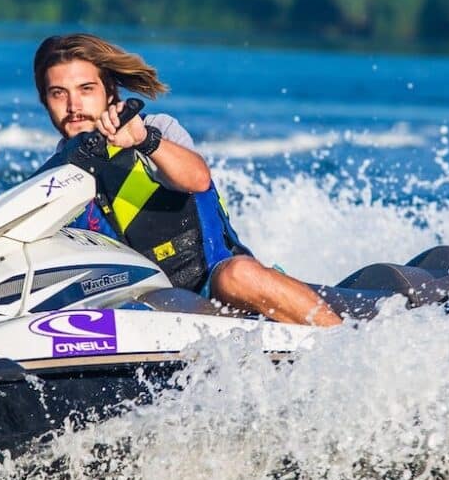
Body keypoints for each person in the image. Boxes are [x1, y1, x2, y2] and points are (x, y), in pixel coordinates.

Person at [32, 33, 341, 326]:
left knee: (237, 275)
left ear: (109, 92)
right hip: (137, 302)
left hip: (215, 280)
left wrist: (144, 140)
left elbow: (197, 178)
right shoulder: (51, 180)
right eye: (58, 93)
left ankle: (342, 344)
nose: (73, 106)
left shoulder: (156, 129)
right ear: (45, 101)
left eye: (86, 89)